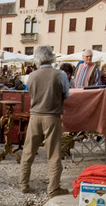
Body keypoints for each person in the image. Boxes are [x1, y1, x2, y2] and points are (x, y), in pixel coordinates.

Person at [19, 46, 71, 197]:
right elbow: (66, 95)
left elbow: (30, 92)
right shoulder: (60, 74)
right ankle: (53, 188)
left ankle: (23, 184)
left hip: (35, 116)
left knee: (28, 152)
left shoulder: (31, 76)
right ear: (52, 57)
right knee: (53, 154)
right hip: (52, 116)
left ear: (37, 58)